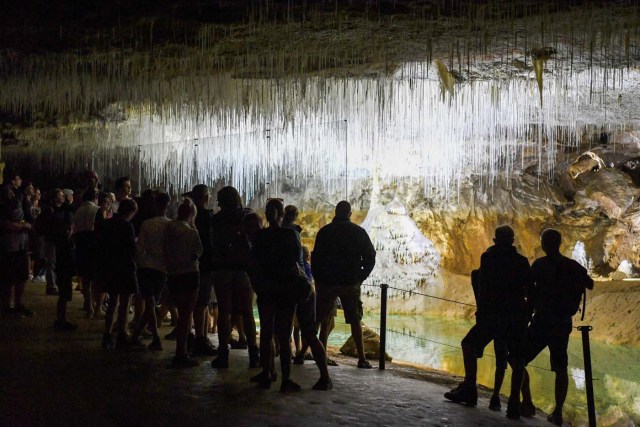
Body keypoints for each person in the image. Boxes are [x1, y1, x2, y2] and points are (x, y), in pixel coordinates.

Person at [444, 225, 531, 419]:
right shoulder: (522, 262)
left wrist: (481, 313)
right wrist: (527, 315)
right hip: (515, 317)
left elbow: (484, 288)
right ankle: (514, 403)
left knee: (468, 345)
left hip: (492, 316)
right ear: (512, 240)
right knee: (518, 361)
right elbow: (529, 291)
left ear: (495, 240)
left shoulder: (489, 258)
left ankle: (470, 388)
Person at [520, 229, 594, 426]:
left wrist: (526, 314)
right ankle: (558, 412)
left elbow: (528, 290)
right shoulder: (572, 266)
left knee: (517, 358)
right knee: (560, 368)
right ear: (559, 243)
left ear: (544, 244)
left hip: (542, 322)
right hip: (562, 324)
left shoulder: (540, 265)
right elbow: (590, 284)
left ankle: (527, 403)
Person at [312, 200, 376, 369]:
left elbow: (316, 258)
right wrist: (360, 277)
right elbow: (370, 256)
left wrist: (319, 280)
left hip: (328, 282)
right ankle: (362, 359)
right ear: (349, 214)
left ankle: (321, 353)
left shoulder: (324, 232)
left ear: (335, 212)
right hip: (349, 282)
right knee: (355, 320)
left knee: (324, 319)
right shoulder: (358, 232)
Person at [251, 198, 303, 391]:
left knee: (266, 333)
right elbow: (297, 260)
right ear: (282, 215)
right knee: (284, 334)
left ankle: (266, 373)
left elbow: (254, 262)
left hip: (266, 289)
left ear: (266, 215)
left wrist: (259, 285)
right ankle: (286, 379)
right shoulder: (290, 235)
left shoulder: (259, 236)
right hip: (286, 290)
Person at [210, 186, 259, 369]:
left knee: (224, 311)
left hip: (222, 269)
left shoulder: (216, 219)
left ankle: (223, 353)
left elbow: (213, 244)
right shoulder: (246, 215)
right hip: (243, 270)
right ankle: (253, 353)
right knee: (247, 312)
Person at [130, 192, 172, 350]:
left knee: (149, 303)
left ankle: (154, 339)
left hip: (147, 267)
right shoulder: (170, 225)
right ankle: (141, 337)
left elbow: (139, 247)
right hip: (162, 269)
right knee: (151, 304)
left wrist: (139, 263)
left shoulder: (147, 224)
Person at [164, 198, 202, 368]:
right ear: (192, 214)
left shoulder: (169, 229)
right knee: (186, 315)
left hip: (173, 274)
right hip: (189, 274)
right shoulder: (191, 232)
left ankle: (182, 350)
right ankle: (182, 352)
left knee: (181, 314)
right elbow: (197, 253)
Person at [100, 199, 138, 349]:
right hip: (125, 266)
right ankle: (122, 333)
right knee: (124, 303)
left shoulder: (109, 223)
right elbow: (131, 248)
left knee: (112, 302)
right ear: (131, 212)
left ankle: (107, 333)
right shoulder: (127, 226)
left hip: (112, 266)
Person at [190, 184, 219, 357]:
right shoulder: (208, 218)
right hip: (206, 265)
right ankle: (201, 339)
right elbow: (210, 243)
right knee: (202, 303)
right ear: (207, 198)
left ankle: (197, 337)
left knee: (196, 303)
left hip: (191, 264)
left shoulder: (190, 218)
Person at [0, 183, 35, 317]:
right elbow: (5, 225)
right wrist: (21, 226)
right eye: (9, 191)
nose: (12, 194)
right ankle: (7, 306)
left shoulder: (17, 203)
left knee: (22, 276)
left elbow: (28, 220)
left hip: (21, 245)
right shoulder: (3, 207)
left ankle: (18, 303)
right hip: (9, 246)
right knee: (9, 278)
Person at [47, 189, 77, 330]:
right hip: (65, 255)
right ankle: (61, 319)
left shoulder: (57, 215)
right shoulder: (65, 215)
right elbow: (68, 230)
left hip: (61, 254)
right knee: (65, 290)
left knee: (64, 290)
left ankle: (61, 318)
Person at [72, 188, 102, 317]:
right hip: (93, 245)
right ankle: (97, 308)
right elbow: (101, 228)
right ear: (95, 198)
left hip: (80, 245)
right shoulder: (96, 210)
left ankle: (88, 304)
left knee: (84, 277)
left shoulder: (78, 210)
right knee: (96, 277)